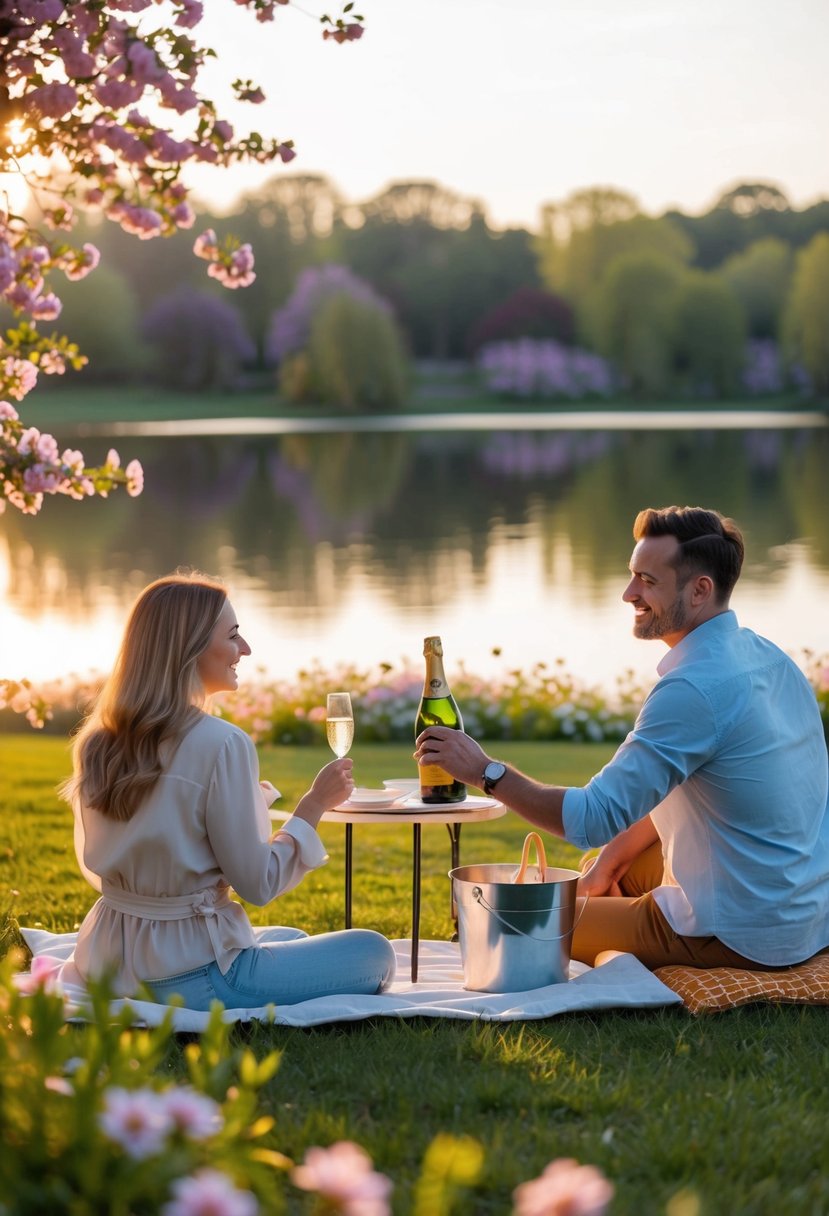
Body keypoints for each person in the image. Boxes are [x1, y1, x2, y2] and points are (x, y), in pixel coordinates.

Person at [416, 505, 829, 971]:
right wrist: (611, 863)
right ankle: (620, 890)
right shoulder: (770, 659)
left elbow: (591, 818)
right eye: (633, 575)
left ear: (700, 590)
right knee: (609, 861)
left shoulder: (694, 689)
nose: (629, 593)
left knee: (499, 919)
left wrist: (484, 772)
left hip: (744, 933)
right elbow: (677, 793)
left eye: (648, 581)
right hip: (803, 911)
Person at [60, 571, 396, 1009]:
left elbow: (153, 829)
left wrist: (241, 804)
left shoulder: (98, 738)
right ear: (191, 647)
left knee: (292, 938)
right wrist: (313, 805)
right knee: (373, 952)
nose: (246, 649)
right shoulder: (221, 742)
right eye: (234, 635)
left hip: (107, 961)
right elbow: (258, 884)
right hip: (190, 976)